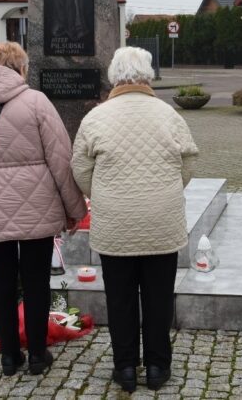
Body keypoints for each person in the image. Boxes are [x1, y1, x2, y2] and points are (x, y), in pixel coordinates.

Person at [0, 41, 86, 377]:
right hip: (37, 207)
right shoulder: (36, 102)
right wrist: (75, 208)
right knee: (37, 281)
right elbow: (61, 159)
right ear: (21, 68)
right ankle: (38, 354)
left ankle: (9, 356)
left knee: (2, 282)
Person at [72, 46, 199, 393]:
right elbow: (188, 162)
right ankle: (157, 366)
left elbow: (80, 168)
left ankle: (126, 367)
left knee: (120, 298)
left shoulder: (96, 117)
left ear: (114, 76)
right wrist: (167, 189)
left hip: (115, 223)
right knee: (159, 297)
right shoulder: (168, 114)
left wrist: (103, 194)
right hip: (162, 221)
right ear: (148, 75)